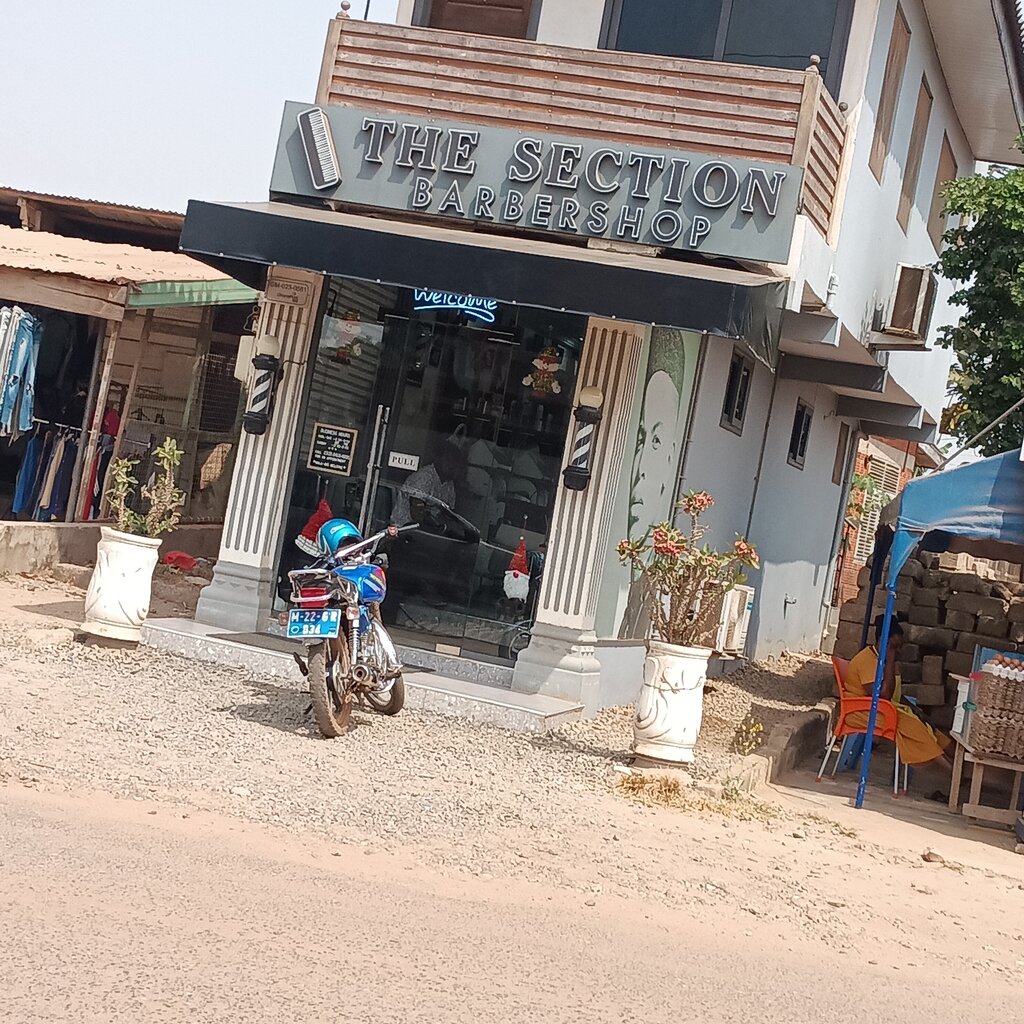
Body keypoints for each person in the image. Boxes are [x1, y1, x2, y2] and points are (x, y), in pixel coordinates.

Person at [845, 615, 952, 767]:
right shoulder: (867, 660)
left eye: (900, 646)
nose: (899, 651)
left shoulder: (885, 661)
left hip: (882, 708)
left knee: (928, 726)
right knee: (914, 727)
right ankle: (951, 772)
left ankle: (961, 767)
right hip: (860, 711)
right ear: (883, 641)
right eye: (895, 647)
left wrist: (916, 710)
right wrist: (890, 660)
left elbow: (895, 694)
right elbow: (884, 696)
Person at [391, 441, 467, 527]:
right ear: (438, 459)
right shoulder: (424, 477)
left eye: (455, 462)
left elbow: (449, 515)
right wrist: (436, 526)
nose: (452, 465)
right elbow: (417, 513)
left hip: (429, 531)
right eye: (449, 460)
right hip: (404, 528)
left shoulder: (449, 485)